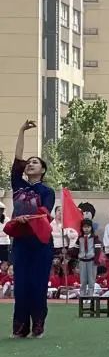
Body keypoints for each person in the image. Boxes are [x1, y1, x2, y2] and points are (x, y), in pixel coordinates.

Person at [5, 120, 55, 338]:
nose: (30, 164)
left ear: (42, 170)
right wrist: (21, 131)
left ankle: (38, 325)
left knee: (38, 284)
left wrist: (29, 218)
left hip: (40, 242)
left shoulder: (47, 191)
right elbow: (17, 159)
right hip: (21, 242)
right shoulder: (18, 185)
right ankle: (20, 327)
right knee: (22, 285)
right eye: (29, 162)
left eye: (35, 162)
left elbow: (44, 213)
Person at [73, 219, 101, 297]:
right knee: (83, 280)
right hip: (82, 261)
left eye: (88, 227)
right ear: (82, 228)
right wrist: (67, 251)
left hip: (92, 261)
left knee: (91, 280)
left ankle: (90, 296)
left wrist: (96, 260)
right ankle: (82, 297)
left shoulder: (95, 238)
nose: (86, 229)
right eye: (84, 227)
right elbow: (75, 250)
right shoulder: (80, 238)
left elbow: (97, 250)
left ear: (91, 228)